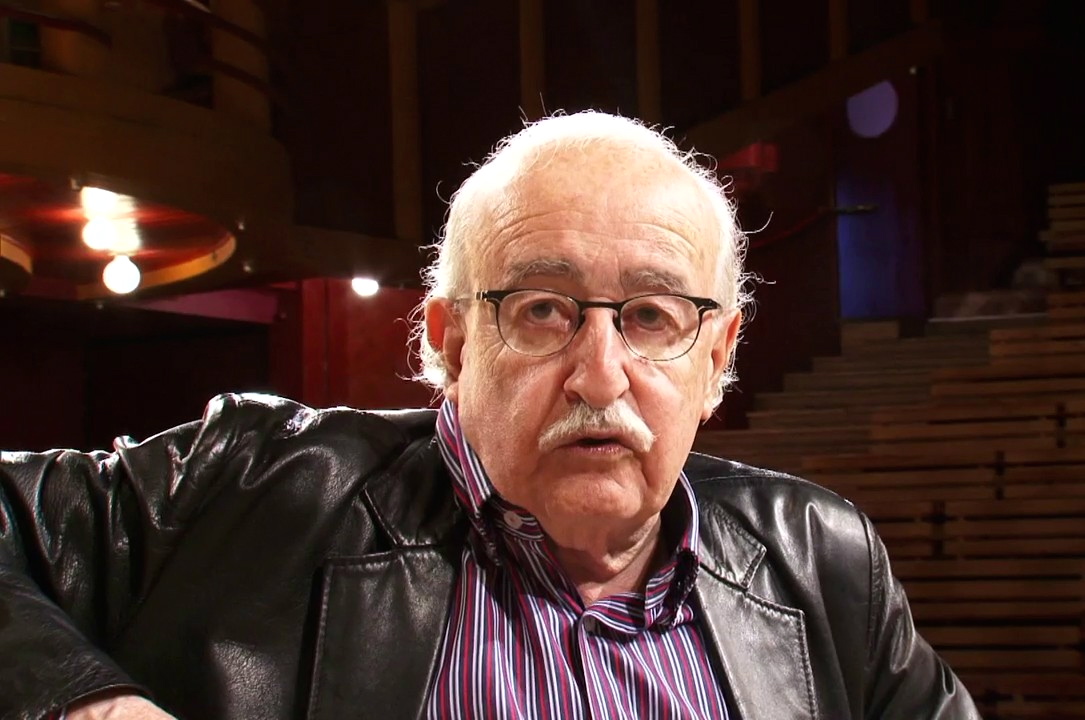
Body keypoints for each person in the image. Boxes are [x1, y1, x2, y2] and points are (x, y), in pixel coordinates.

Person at [0, 111, 980, 720]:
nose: (599, 376)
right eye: (543, 310)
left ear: (715, 356)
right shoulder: (255, 485)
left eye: (650, 317)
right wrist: (89, 707)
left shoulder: (821, 560)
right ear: (454, 340)